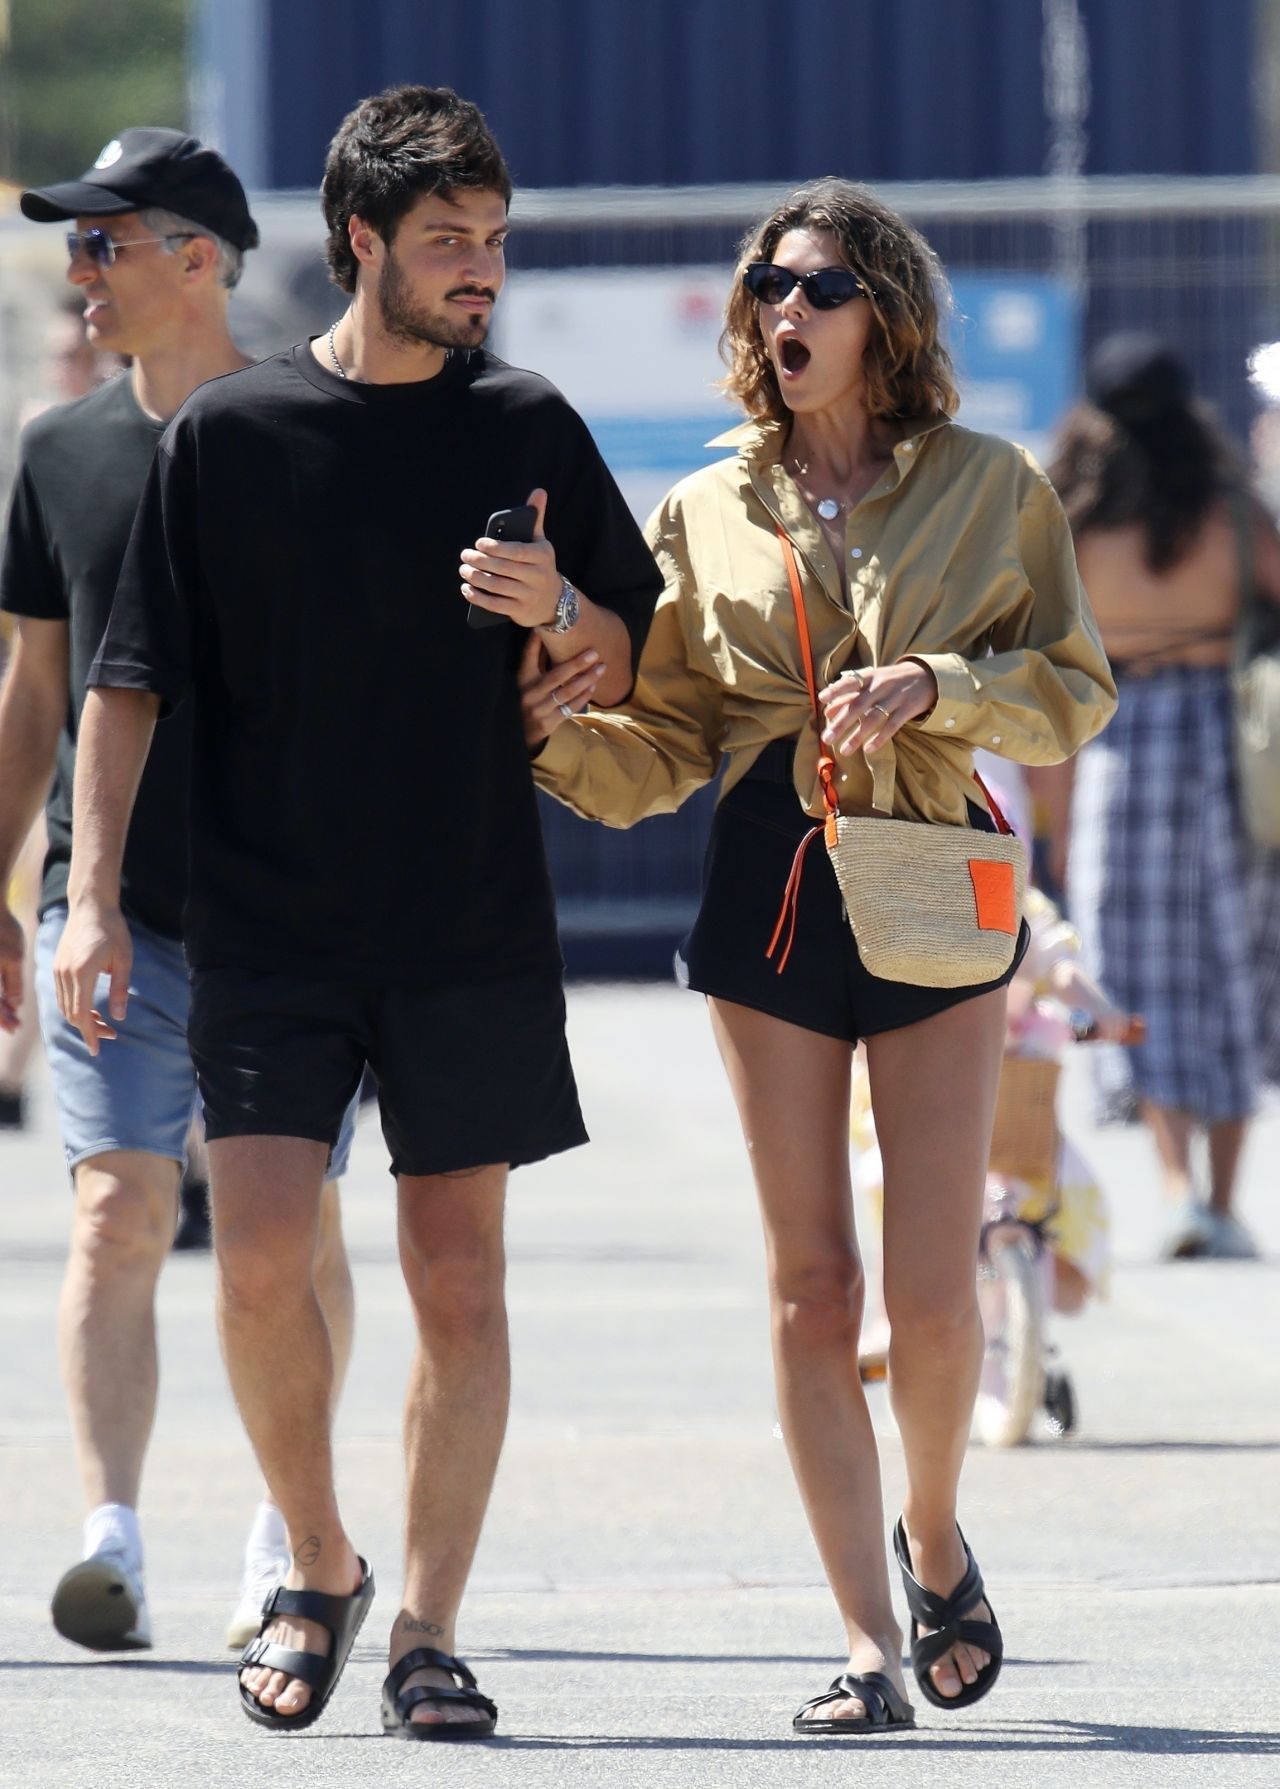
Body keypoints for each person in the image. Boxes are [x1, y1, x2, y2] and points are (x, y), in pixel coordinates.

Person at [54, 86, 661, 1737]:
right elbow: (125, 683)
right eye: (450, 241)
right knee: (257, 1260)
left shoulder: (526, 421)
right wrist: (91, 898)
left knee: (459, 1278)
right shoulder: (232, 437)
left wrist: (570, 612)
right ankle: (315, 1556)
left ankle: (427, 1626)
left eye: (496, 241)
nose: (482, 270)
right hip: (265, 922)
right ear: (362, 243)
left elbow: (630, 643)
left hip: (466, 916)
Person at [522, 177, 1114, 1734]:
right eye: (768, 288)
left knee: (929, 1288)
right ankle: (866, 1636)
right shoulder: (704, 508)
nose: (787, 311)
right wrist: (553, 728)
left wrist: (939, 682)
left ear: (889, 317)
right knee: (807, 1285)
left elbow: (1076, 685)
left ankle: (934, 1540)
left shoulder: (995, 489)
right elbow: (667, 739)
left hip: (930, 871)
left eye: (822, 287)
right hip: (768, 883)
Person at [0, 127, 356, 1658]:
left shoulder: (308, 433)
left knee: (293, 1238)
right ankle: (113, 1544)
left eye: (106, 243)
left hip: (295, 920)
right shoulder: (58, 451)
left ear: (199, 259)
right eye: (72, 247)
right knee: (114, 1215)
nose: (77, 273)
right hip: (113, 913)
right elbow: (35, 694)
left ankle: (293, 1531)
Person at [1049, 334, 1280, 1260]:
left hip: (1119, 741)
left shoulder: (1068, 522)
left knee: (1134, 972)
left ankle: (1178, 1186)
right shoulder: (1231, 508)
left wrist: (1058, 828)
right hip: (1227, 750)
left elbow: (1049, 687)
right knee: (1235, 968)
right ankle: (1218, 1196)